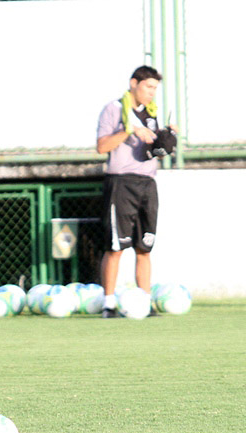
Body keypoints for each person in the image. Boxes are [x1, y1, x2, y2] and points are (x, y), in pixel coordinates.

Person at [96, 65, 168, 318]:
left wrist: (166, 140)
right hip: (121, 182)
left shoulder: (151, 113)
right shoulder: (114, 109)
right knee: (115, 247)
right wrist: (129, 129)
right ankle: (108, 304)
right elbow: (102, 146)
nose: (151, 93)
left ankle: (144, 303)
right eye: (148, 86)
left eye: (155, 89)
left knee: (144, 247)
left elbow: (153, 151)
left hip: (147, 183)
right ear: (134, 83)